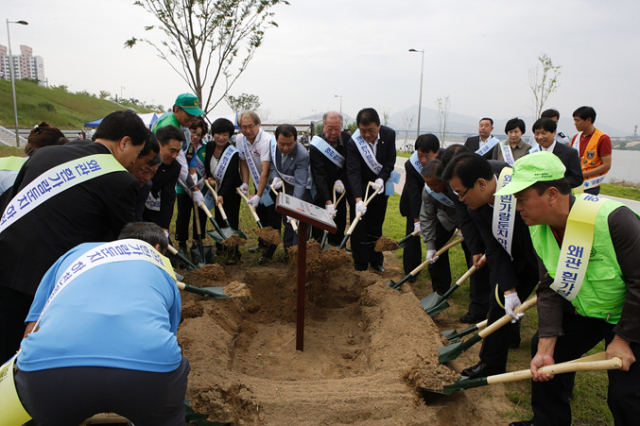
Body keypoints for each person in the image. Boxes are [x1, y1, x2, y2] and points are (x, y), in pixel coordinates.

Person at [494, 152, 640, 426]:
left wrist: (622, 339)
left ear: (551, 194)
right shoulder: (539, 228)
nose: (518, 208)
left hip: (630, 315)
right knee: (545, 352)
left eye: (522, 199)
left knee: (626, 395)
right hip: (587, 309)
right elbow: (549, 286)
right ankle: (548, 421)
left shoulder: (614, 221)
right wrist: (547, 343)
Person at [0, 110, 147, 363]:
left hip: (5, 262)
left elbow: (12, 203)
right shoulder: (120, 180)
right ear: (124, 143)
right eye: (137, 151)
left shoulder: (44, 154)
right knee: (34, 359)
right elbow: (123, 241)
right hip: (48, 285)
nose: (135, 160)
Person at [14, 222, 189, 426]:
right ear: (157, 249)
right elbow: (170, 336)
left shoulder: (76, 254)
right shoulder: (160, 266)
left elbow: (33, 327)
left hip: (50, 371)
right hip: (146, 374)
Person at [442, 152, 539, 378]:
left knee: (554, 315)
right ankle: (491, 363)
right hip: (511, 255)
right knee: (498, 302)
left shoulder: (520, 189)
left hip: (544, 256)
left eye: (460, 193)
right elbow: (493, 247)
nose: (460, 199)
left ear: (481, 184)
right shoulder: (475, 207)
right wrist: (509, 289)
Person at [438, 144, 491, 323]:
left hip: (501, 223)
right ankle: (478, 309)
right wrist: (475, 248)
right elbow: (465, 219)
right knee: (476, 265)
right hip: (477, 227)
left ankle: (507, 321)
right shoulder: (457, 188)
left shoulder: (489, 174)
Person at [346, 108, 397, 272]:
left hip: (379, 188)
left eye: (371, 130)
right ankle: (360, 263)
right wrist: (358, 199)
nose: (367, 135)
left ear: (379, 125)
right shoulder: (353, 142)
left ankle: (376, 261)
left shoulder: (389, 135)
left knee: (376, 225)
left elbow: (390, 160)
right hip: (360, 188)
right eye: (363, 131)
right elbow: (353, 171)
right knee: (359, 227)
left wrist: (382, 178)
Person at [260, 124, 311, 264]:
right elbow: (273, 165)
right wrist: (275, 176)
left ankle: (299, 255)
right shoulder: (272, 147)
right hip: (285, 189)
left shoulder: (302, 155)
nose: (286, 147)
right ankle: (289, 253)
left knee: (299, 222)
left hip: (302, 191)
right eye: (282, 143)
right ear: (276, 139)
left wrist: (294, 207)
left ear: (296, 140)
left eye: (290, 144)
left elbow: (300, 183)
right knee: (287, 221)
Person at [153, 93, 206, 211]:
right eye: (189, 114)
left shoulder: (179, 122)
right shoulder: (170, 127)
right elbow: (180, 165)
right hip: (157, 172)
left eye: (195, 114)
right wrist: (194, 189)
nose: (193, 118)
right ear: (176, 110)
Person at [400, 134, 443, 279]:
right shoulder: (411, 165)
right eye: (420, 155)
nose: (423, 160)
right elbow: (413, 194)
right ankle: (411, 270)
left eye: (427, 156)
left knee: (437, 236)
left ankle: (434, 267)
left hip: (437, 202)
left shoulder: (445, 161)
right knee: (412, 235)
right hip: (415, 200)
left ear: (436, 153)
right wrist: (417, 221)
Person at [309, 111, 349, 246]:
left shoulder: (348, 141)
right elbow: (318, 173)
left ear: (342, 127)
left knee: (340, 217)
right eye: (329, 128)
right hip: (321, 185)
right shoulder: (317, 144)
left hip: (340, 186)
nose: (333, 132)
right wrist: (328, 200)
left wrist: (341, 179)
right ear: (324, 126)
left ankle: (336, 247)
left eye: (337, 129)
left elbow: (350, 166)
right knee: (318, 215)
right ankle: (317, 246)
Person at [205, 118, 242, 264]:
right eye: (218, 134)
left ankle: (234, 252)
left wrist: (222, 195)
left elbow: (232, 176)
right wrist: (208, 176)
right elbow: (207, 164)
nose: (221, 138)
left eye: (225, 135)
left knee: (230, 221)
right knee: (219, 220)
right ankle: (221, 248)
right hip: (215, 189)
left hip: (231, 192)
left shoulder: (233, 152)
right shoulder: (209, 146)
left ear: (230, 136)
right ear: (213, 134)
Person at [236, 111, 273, 253]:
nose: (248, 130)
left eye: (251, 126)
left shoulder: (266, 140)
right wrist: (245, 183)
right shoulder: (240, 139)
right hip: (258, 182)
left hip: (271, 184)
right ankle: (262, 243)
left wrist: (258, 194)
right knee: (261, 214)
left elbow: (265, 170)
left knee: (272, 216)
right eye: (244, 127)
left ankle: (270, 249)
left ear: (258, 124)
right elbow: (243, 161)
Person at [175, 118, 208, 255]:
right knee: (183, 216)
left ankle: (197, 241)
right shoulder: (182, 146)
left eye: (198, 134)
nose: (194, 136)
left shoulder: (206, 147)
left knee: (200, 216)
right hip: (183, 188)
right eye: (192, 132)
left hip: (200, 189)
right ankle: (182, 243)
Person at [143, 125, 184, 237]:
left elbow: (168, 197)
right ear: (159, 144)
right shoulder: (143, 159)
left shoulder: (174, 167)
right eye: (172, 151)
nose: (175, 156)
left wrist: (164, 228)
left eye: (178, 151)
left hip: (154, 209)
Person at [531, 118, 583, 188]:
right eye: (537, 133)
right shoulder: (530, 153)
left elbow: (577, 179)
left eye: (543, 133)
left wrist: (554, 185)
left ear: (554, 133)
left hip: (560, 195)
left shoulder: (569, 153)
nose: (540, 137)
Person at [571, 106, 611, 195]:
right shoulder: (576, 138)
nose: (575, 123)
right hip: (574, 183)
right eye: (574, 120)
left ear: (588, 120)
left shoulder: (602, 138)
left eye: (577, 120)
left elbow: (606, 165)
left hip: (590, 185)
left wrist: (582, 174)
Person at [127, 131, 162, 222]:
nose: (147, 178)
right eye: (145, 171)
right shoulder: (119, 179)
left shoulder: (146, 185)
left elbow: (137, 215)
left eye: (153, 173)